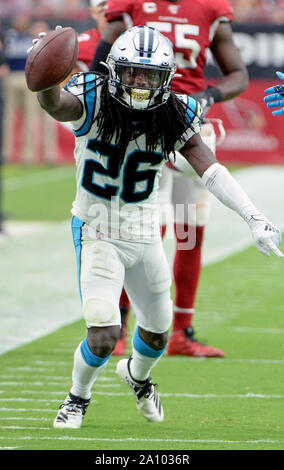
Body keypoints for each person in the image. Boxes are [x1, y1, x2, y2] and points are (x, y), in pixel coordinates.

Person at [30, 25, 282, 428]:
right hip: (97, 229)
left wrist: (253, 215)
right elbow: (57, 105)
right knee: (104, 333)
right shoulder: (93, 97)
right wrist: (43, 84)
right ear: (115, 71)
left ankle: (138, 377)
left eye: (150, 76)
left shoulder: (174, 112)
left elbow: (210, 168)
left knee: (157, 336)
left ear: (166, 78)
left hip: (145, 233)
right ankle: (77, 397)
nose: (141, 84)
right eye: (132, 73)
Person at [90, 0, 250, 357]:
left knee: (191, 227)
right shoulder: (131, 5)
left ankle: (181, 331)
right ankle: (119, 325)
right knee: (142, 224)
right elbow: (99, 66)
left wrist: (208, 95)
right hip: (139, 125)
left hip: (187, 122)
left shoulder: (211, 9)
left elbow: (238, 74)